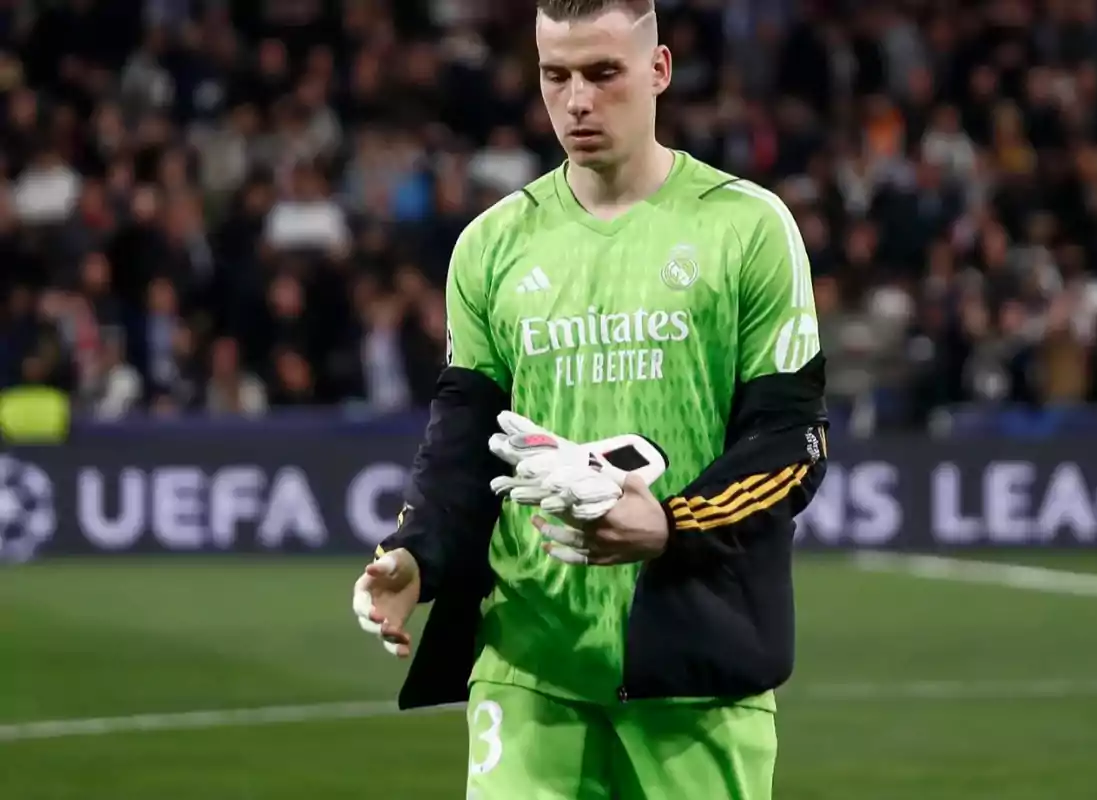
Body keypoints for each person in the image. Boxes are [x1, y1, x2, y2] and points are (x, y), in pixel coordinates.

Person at [354, 0, 828, 796]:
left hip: (696, 662)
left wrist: (672, 524)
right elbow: (463, 444)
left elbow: (791, 446)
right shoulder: (491, 245)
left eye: (603, 73)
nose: (577, 99)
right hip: (527, 655)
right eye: (556, 75)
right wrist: (416, 557)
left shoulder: (748, 228)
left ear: (658, 70)